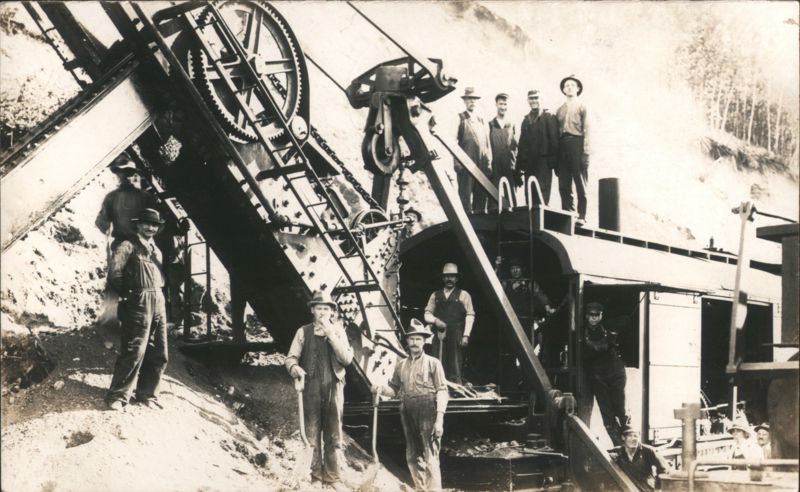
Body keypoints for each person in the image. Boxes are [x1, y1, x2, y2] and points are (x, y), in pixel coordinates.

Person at [285, 291, 354, 487]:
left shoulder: (339, 331)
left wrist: (331, 333)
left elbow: (346, 359)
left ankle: (333, 478)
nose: (322, 312)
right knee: (312, 433)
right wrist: (295, 368)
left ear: (332, 312)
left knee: (334, 433)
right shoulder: (303, 332)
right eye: (319, 308)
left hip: (334, 385)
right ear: (312, 310)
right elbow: (290, 357)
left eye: (326, 308)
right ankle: (316, 477)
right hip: (311, 388)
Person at [372, 319, 448, 491]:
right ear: (407, 341)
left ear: (424, 341)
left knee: (430, 456)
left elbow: (442, 391)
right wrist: (380, 388)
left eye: (418, 339)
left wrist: (439, 419)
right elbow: (394, 389)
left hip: (428, 409)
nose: (414, 342)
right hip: (406, 410)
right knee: (412, 456)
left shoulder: (433, 363)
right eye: (412, 339)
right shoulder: (401, 365)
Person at [105, 208, 169, 411]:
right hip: (138, 300)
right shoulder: (127, 245)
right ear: (138, 225)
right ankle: (118, 396)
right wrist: (130, 293)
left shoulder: (155, 248)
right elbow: (115, 273)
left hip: (158, 299)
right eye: (147, 224)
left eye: (155, 225)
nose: (151, 228)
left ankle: (147, 395)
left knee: (159, 350)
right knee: (134, 349)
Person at [95, 154, 159, 256]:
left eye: (129, 173)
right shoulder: (112, 197)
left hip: (139, 248)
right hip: (128, 248)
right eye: (123, 173)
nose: (126, 176)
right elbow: (102, 223)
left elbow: (102, 224)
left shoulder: (112, 197)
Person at [583, 301, 629, 442]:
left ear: (602, 315)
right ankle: (618, 444)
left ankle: (628, 439)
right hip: (598, 377)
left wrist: (612, 334)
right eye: (591, 315)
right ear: (586, 316)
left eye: (597, 315)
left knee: (621, 410)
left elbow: (625, 318)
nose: (594, 318)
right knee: (607, 415)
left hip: (615, 373)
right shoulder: (582, 331)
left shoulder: (608, 326)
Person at [424, 263, 475, 384]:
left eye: (452, 276)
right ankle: (437, 387)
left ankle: (456, 389)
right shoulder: (435, 295)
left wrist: (466, 335)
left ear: (456, 279)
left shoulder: (464, 295)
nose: (449, 279)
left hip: (456, 334)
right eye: (447, 276)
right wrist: (436, 321)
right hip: (439, 334)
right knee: (437, 361)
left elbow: (470, 315)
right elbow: (427, 314)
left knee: (455, 363)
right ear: (443, 278)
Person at [556, 75, 590, 224]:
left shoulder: (582, 107)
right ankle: (568, 214)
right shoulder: (559, 109)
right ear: (563, 89)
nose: (569, 87)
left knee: (580, 181)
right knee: (563, 183)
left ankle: (582, 215)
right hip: (562, 146)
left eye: (572, 85)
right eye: (567, 85)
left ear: (577, 89)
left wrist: (586, 152)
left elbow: (588, 130)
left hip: (577, 144)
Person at [517, 90, 559, 205]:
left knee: (542, 196)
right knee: (529, 196)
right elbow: (521, 145)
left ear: (541, 99)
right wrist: (519, 168)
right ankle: (531, 222)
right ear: (528, 101)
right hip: (529, 164)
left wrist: (553, 164)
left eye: (536, 98)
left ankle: (542, 222)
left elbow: (554, 142)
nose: (534, 101)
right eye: (531, 98)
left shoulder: (549, 117)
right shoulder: (526, 121)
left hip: (543, 163)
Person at [456, 87, 492, 213]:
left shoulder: (482, 121)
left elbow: (487, 144)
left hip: (482, 164)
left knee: (481, 198)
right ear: (464, 101)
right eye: (469, 99)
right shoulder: (460, 118)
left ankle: (479, 228)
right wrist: (458, 163)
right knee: (464, 198)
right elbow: (453, 143)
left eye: (474, 99)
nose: (472, 102)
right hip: (466, 164)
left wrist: (488, 163)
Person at [611, 425, 670, 491]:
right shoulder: (619, 452)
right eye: (630, 436)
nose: (633, 439)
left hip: (646, 488)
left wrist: (658, 487)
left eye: (635, 436)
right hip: (629, 487)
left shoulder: (648, 451)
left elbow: (664, 469)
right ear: (623, 437)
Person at [488, 93, 517, 209]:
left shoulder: (512, 123)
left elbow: (515, 145)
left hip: (509, 164)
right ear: (496, 105)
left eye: (505, 104)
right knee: (494, 193)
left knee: (511, 194)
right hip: (496, 164)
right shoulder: (490, 124)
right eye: (500, 104)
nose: (503, 107)